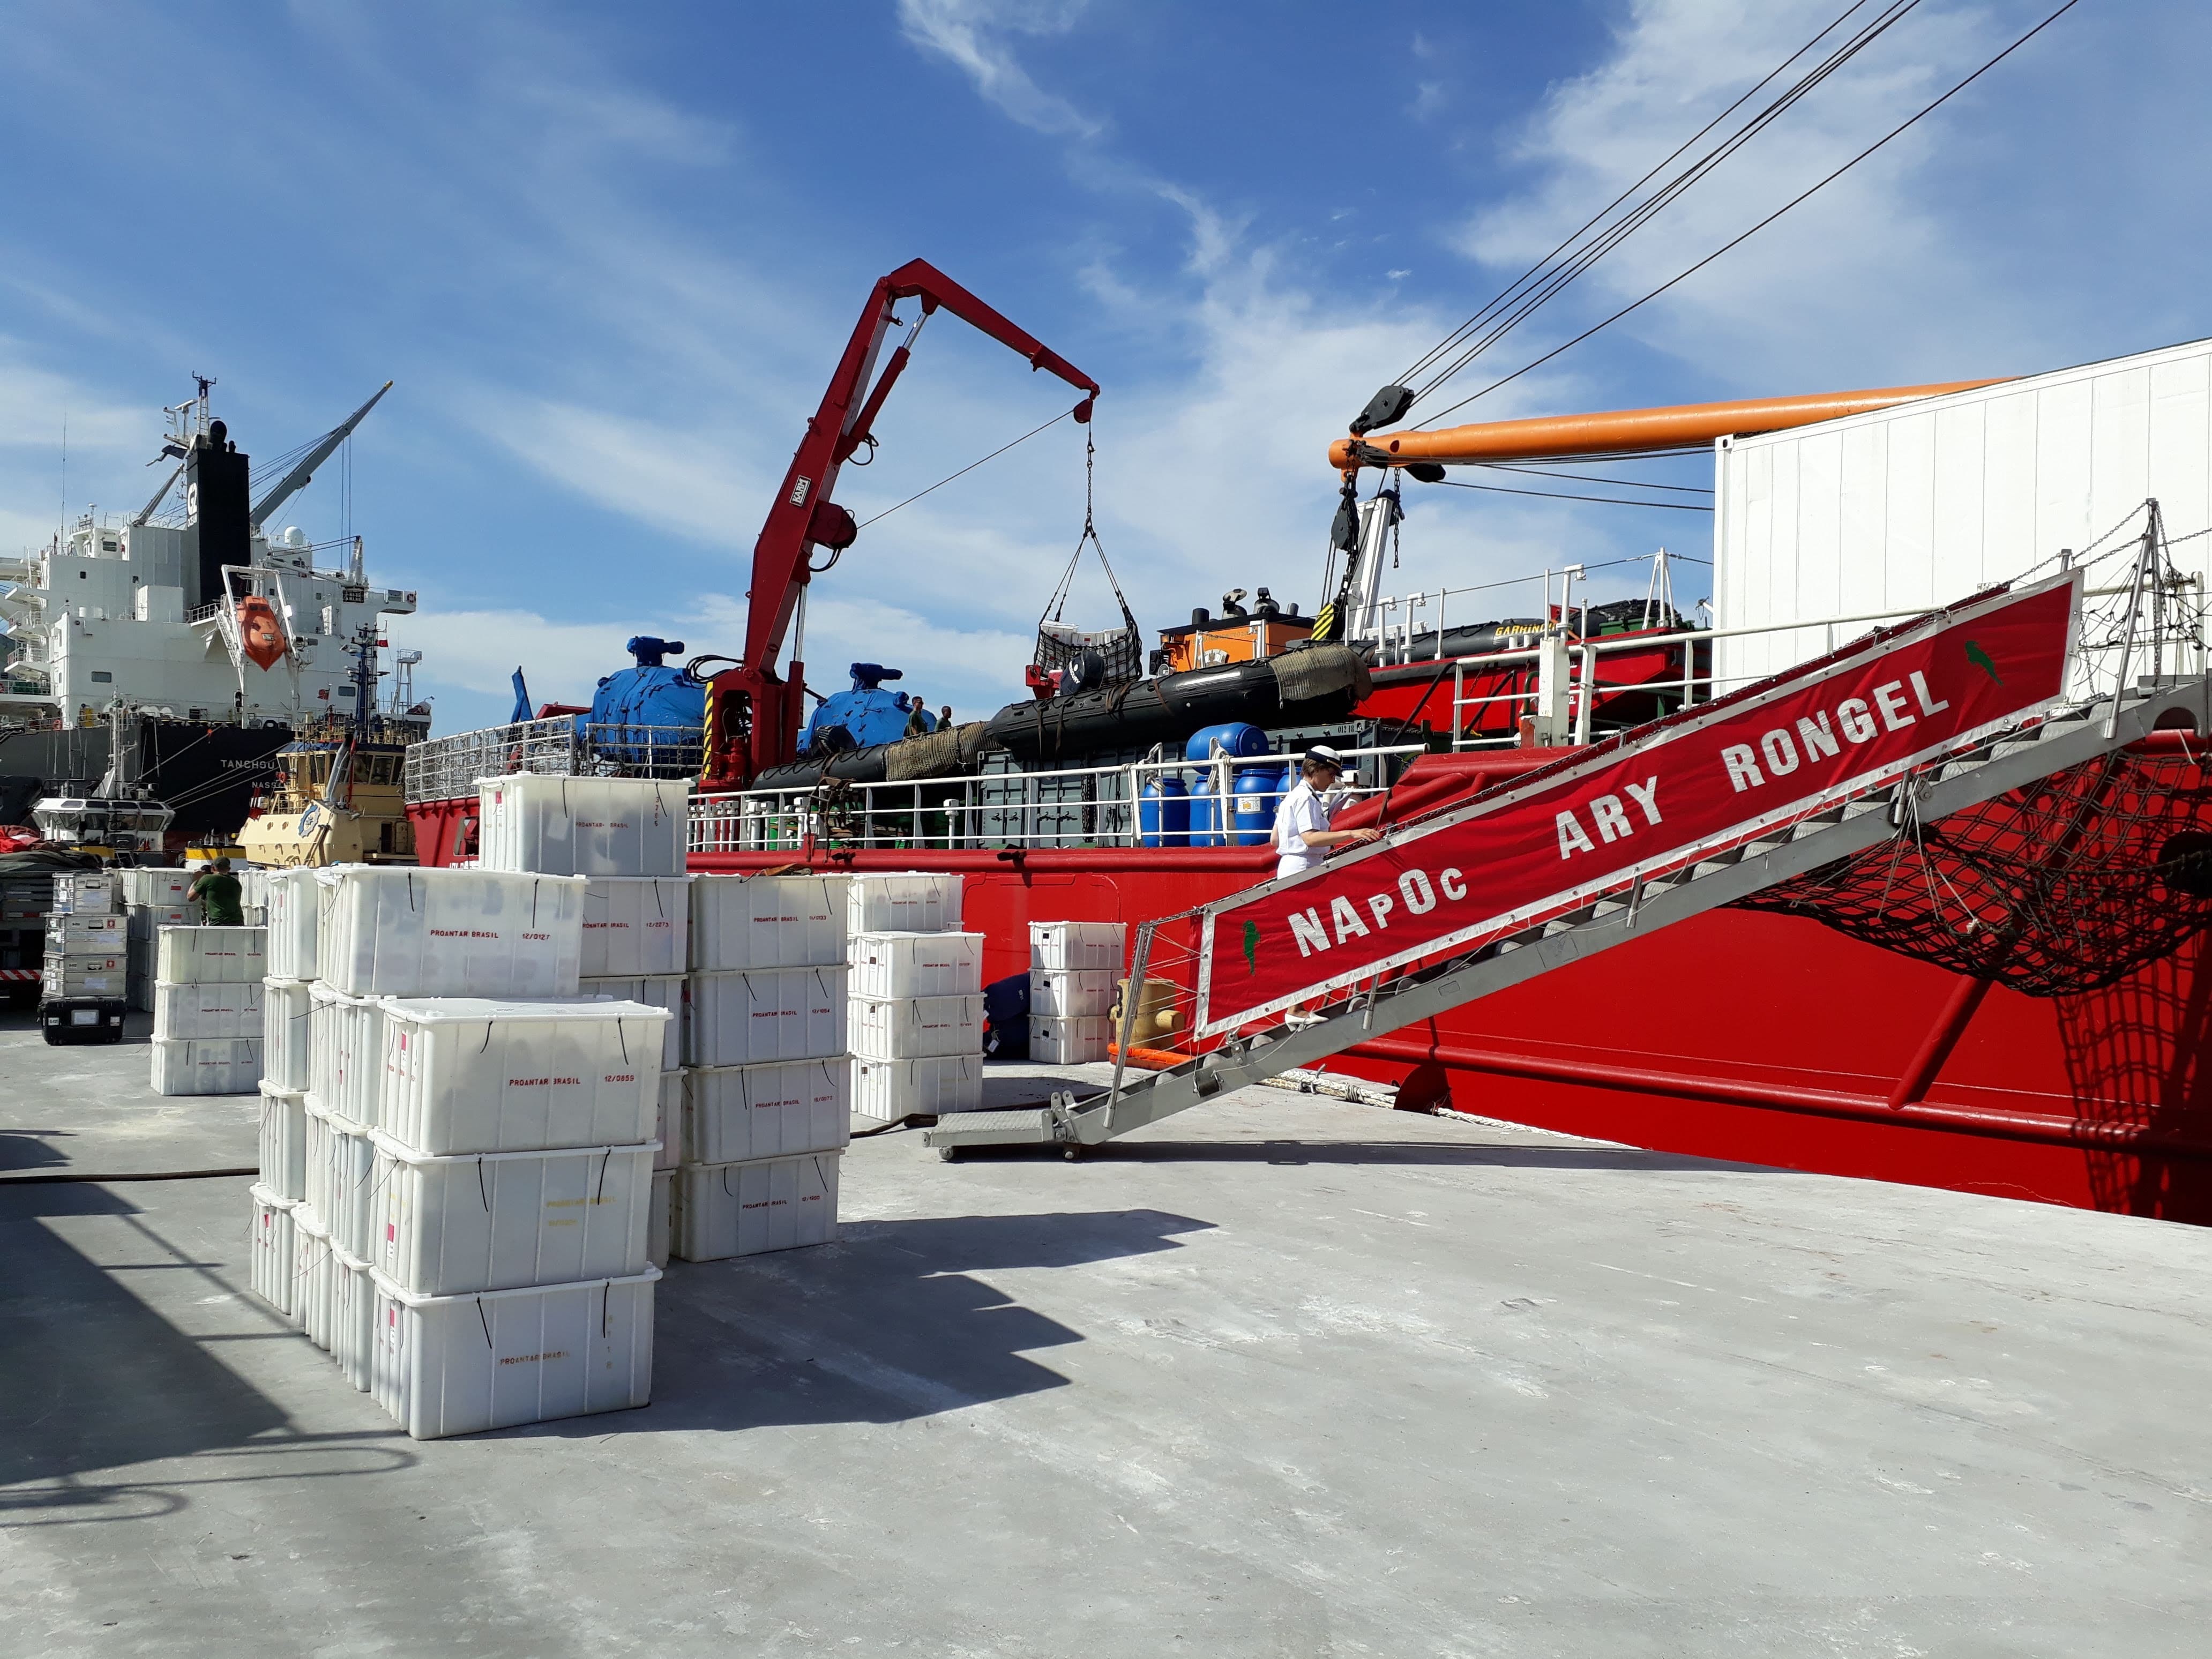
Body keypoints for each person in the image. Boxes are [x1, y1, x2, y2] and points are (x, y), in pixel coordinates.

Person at [1273, 745, 1380, 880]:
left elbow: (1275, 840)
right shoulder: (1306, 798)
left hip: (1288, 867)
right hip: (1305, 867)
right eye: (1331, 774)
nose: (1332, 780)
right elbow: (1310, 839)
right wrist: (1352, 833)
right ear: (1316, 770)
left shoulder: (1291, 797)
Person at [187, 856, 244, 928]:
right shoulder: (236, 883)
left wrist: (197, 880)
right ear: (229, 869)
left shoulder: (208, 879)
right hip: (238, 922)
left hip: (218, 922)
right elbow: (221, 903)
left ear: (213, 868)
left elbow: (190, 897)